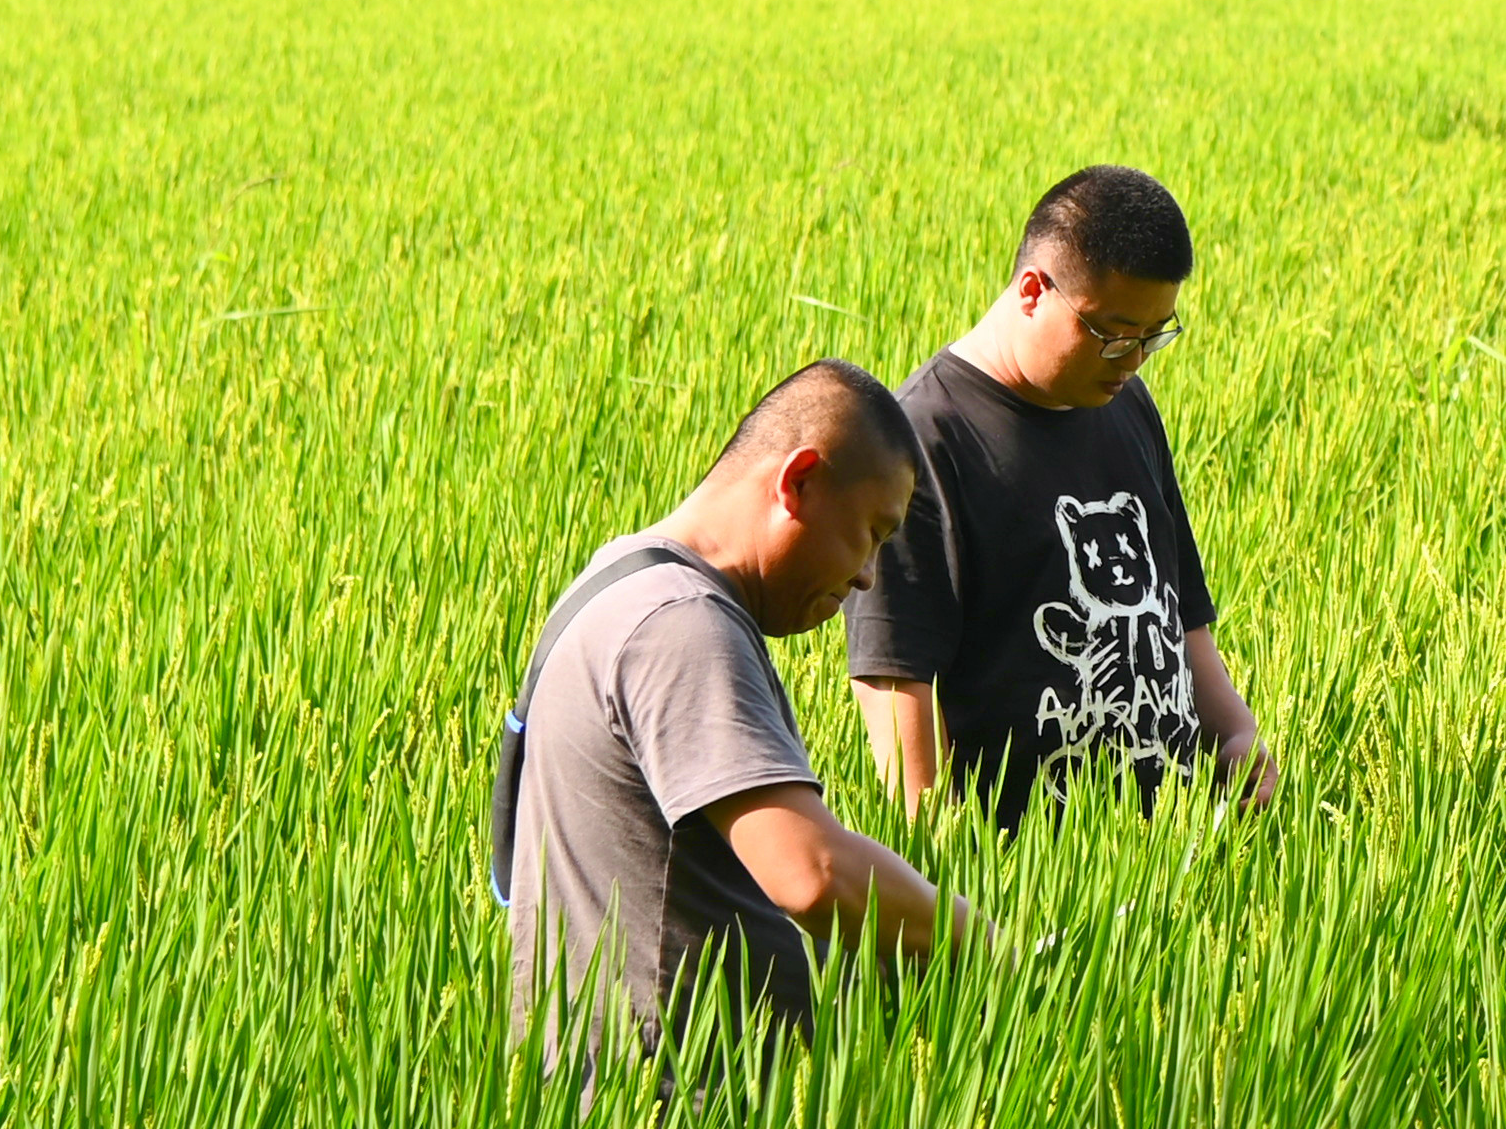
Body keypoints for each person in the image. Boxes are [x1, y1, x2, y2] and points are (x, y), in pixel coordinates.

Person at [499, 357, 945, 1056]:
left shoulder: (625, 581)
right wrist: (980, 946)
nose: (866, 575)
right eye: (872, 535)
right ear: (798, 481)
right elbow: (811, 873)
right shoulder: (681, 623)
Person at [850, 164, 1276, 826]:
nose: (1133, 359)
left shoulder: (1127, 405)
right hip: (1028, 882)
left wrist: (1236, 733)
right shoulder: (921, 443)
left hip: (1173, 852)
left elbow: (1178, 611)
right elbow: (898, 692)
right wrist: (956, 889)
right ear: (1031, 291)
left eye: (1154, 336)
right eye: (1113, 333)